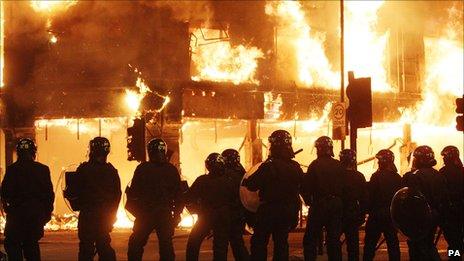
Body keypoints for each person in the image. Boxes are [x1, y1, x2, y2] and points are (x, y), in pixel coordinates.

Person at [242, 130, 303, 261]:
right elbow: (303, 186)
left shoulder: (269, 166)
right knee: (281, 243)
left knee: (259, 242)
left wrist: (246, 180)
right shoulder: (295, 166)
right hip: (288, 210)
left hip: (270, 210)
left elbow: (252, 184)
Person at [126, 138, 182, 261]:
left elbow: (133, 192)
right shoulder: (171, 170)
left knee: (136, 244)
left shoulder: (142, 168)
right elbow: (179, 196)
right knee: (166, 246)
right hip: (165, 214)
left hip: (145, 214)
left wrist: (137, 212)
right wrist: (177, 215)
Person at [1, 138, 54, 261]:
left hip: (17, 214)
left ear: (18, 153)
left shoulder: (12, 169)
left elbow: (5, 192)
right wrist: (46, 213)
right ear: (34, 153)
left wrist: (7, 208)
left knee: (12, 244)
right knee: (31, 245)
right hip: (36, 215)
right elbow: (49, 194)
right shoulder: (43, 169)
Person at [74, 137, 121, 261]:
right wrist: (112, 215)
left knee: (86, 248)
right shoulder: (112, 171)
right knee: (104, 246)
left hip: (88, 215)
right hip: (105, 216)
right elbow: (117, 196)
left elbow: (73, 191)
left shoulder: (83, 169)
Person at [185, 153, 235, 261]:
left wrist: (196, 209)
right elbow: (235, 200)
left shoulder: (202, 180)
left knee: (194, 242)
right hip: (223, 216)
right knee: (220, 247)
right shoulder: (229, 181)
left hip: (206, 216)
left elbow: (189, 197)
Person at [302, 136, 344, 261]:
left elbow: (306, 187)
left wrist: (310, 202)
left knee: (310, 238)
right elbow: (345, 187)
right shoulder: (338, 165)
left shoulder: (314, 165)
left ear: (318, 149)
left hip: (319, 205)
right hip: (336, 204)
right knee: (334, 239)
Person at [403, 146, 447, 261]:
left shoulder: (416, 176)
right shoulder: (439, 175)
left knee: (418, 246)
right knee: (429, 243)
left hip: (420, 217)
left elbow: (411, 198)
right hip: (435, 214)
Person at [363, 149, 401, 261]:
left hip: (376, 215)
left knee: (370, 244)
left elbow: (371, 196)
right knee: (393, 244)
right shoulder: (397, 177)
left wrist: (367, 210)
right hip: (391, 216)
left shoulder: (376, 176)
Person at [221, 149, 250, 261]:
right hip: (240, 212)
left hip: (231, 212)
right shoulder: (243, 173)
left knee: (228, 242)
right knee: (236, 241)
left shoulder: (227, 175)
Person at [339, 149, 368, 261]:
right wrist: (362, 214)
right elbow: (364, 198)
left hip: (339, 213)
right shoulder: (359, 176)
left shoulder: (337, 175)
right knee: (353, 244)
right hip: (353, 213)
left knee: (334, 241)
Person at [439, 146, 463, 261]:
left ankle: (455, 257)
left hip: (449, 212)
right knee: (457, 238)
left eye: (444, 156)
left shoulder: (443, 172)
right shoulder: (462, 170)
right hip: (459, 211)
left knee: (453, 240)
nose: (443, 159)